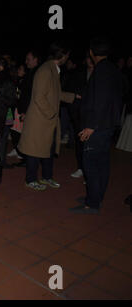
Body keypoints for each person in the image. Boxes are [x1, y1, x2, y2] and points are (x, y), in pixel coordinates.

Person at [70, 37, 123, 214]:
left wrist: (91, 126)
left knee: (90, 162)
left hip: (98, 126)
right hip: (108, 124)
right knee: (102, 162)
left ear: (92, 53)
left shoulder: (101, 70)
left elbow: (100, 100)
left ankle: (92, 203)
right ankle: (96, 196)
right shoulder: (114, 69)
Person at [18, 41, 76, 191]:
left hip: (47, 120)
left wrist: (73, 97)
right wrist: (52, 113)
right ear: (62, 55)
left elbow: (54, 94)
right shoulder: (45, 70)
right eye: (67, 55)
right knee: (35, 151)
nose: (68, 58)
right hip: (40, 120)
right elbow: (39, 97)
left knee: (48, 150)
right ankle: (30, 180)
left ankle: (47, 177)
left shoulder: (53, 70)